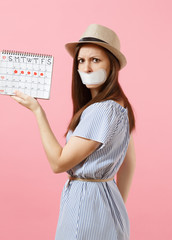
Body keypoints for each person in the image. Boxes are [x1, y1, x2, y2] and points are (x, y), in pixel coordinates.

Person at [10, 24, 136, 240]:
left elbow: (58, 163)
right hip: (108, 204)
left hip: (86, 206)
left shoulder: (101, 110)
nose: (86, 68)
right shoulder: (119, 105)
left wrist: (37, 111)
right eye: (81, 60)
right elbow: (129, 163)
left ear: (112, 65)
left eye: (95, 60)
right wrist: (113, 205)